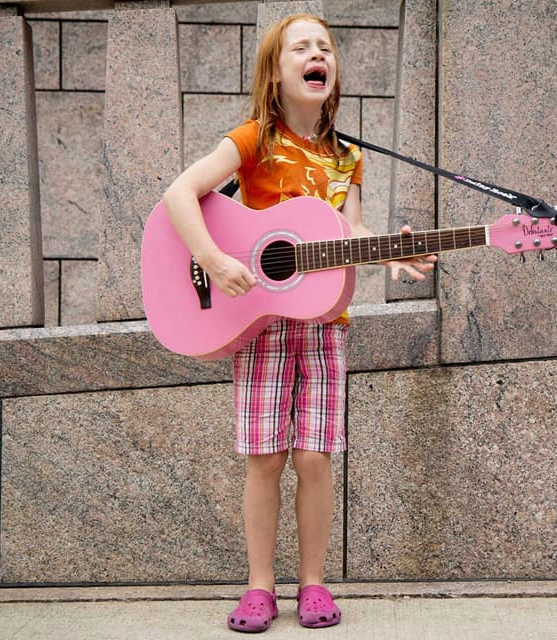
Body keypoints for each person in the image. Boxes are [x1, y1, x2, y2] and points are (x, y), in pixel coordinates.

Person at [163, 13, 436, 632]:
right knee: (266, 458)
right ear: (276, 72)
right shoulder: (254, 138)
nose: (317, 54)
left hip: (324, 324)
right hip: (258, 320)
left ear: (331, 70)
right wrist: (213, 257)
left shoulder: (347, 157)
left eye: (325, 47)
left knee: (315, 459)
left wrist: (386, 247)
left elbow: (351, 230)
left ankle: (313, 583)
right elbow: (180, 194)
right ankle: (260, 587)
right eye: (301, 48)